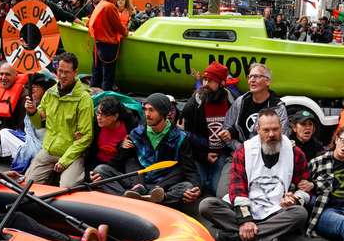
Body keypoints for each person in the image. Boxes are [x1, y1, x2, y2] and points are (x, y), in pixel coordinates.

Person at [199, 108, 310, 241]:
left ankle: (233, 237)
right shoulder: (244, 150)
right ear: (257, 129)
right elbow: (237, 188)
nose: (271, 134)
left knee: (300, 214)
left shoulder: (295, 152)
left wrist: (295, 198)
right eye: (266, 130)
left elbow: (305, 185)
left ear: (282, 128)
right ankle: (266, 236)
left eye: (275, 129)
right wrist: (246, 220)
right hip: (245, 207)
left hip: (276, 210)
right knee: (206, 206)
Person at [91, 93, 200, 206]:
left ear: (163, 113)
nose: (147, 114)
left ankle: (153, 198)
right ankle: (130, 197)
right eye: (145, 110)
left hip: (163, 185)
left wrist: (196, 189)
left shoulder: (180, 137)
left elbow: (189, 169)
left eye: (151, 110)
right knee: (101, 170)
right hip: (138, 182)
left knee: (187, 187)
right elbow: (121, 161)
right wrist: (121, 147)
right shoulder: (137, 133)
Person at [24, 53, 93, 188]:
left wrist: (64, 161)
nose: (62, 75)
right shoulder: (50, 93)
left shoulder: (84, 99)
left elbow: (86, 137)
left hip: (72, 154)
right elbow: (38, 124)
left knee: (68, 187)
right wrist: (32, 112)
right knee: (28, 185)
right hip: (49, 150)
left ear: (75, 73)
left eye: (66, 72)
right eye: (60, 71)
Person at [180, 61, 234, 196]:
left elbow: (236, 126)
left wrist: (230, 133)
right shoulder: (193, 104)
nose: (205, 84)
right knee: (200, 185)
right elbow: (186, 136)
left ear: (221, 83)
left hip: (222, 153)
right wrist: (204, 155)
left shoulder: (231, 100)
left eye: (210, 81)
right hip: (199, 154)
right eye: (204, 79)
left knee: (217, 190)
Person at [219, 63, 289, 149]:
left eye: (256, 76)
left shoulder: (278, 108)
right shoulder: (241, 101)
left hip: (266, 156)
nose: (252, 80)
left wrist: (253, 152)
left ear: (268, 81)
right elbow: (227, 127)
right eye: (250, 77)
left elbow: (282, 138)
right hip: (237, 152)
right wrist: (241, 149)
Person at [87, 0, 127, 92]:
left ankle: (93, 96)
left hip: (98, 44)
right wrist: (126, 32)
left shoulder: (101, 4)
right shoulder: (110, 7)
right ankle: (104, 99)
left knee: (96, 72)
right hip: (108, 45)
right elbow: (118, 26)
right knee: (108, 77)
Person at [85, 95, 132, 171]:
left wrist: (102, 172)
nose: (99, 118)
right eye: (98, 113)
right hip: (95, 164)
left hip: (117, 167)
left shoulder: (129, 127)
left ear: (115, 116)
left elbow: (125, 157)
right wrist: (90, 173)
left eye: (104, 115)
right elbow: (90, 154)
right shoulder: (95, 125)